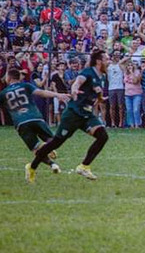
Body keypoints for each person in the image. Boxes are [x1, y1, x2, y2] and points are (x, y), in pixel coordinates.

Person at [26, 50, 111, 183]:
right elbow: (77, 82)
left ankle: (84, 166)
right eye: (107, 59)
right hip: (73, 113)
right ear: (99, 61)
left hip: (87, 114)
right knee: (55, 143)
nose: (109, 61)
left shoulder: (103, 76)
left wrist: (100, 99)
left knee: (103, 136)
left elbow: (97, 91)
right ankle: (31, 167)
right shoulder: (88, 72)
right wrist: (74, 90)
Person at [0, 69, 70, 180]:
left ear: (9, 78)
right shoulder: (26, 86)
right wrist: (57, 95)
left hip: (21, 123)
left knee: (36, 149)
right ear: (19, 77)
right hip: (35, 118)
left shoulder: (3, 93)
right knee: (52, 141)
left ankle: (51, 162)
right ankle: (50, 154)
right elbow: (42, 92)